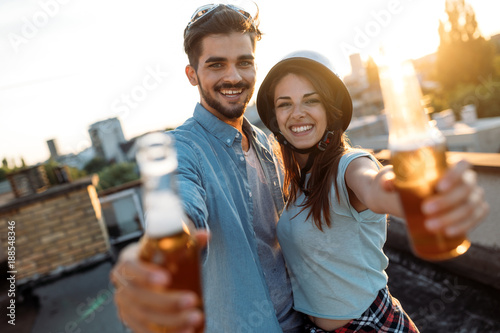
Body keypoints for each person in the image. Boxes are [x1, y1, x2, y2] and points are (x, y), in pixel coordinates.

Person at [110, 4, 489, 333]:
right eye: (216, 64)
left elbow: (375, 185)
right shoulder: (183, 149)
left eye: (244, 62)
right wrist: (160, 260)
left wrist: (416, 194)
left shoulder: (275, 148)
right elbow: (180, 210)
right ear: (193, 74)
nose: (233, 76)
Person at [255, 50, 489, 332]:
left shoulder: (349, 166)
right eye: (284, 104)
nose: (297, 113)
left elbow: (376, 187)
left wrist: (416, 196)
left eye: (311, 100)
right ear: (275, 117)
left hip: (370, 325)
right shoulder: (295, 184)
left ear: (331, 109)